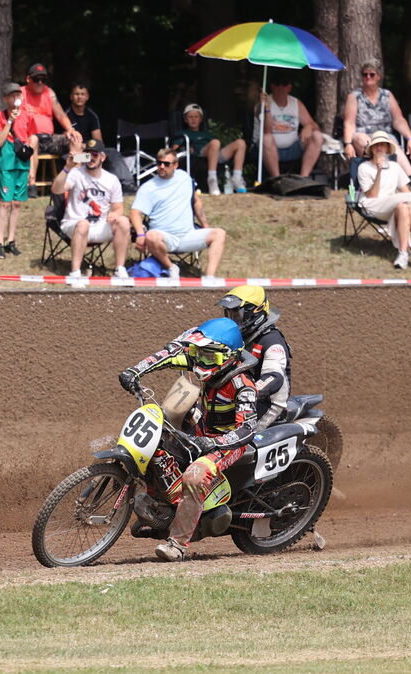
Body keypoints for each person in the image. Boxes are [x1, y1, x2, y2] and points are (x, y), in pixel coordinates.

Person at [118, 317, 258, 562]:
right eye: (198, 353)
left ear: (228, 357)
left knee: (194, 476)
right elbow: (168, 355)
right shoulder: (202, 360)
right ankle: (159, 509)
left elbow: (248, 428)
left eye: (209, 356)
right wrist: (135, 371)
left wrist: (215, 444)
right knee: (157, 450)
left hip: (227, 443)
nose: (201, 361)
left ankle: (178, 544)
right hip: (201, 432)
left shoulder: (242, 385)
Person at [131, 149, 226, 280]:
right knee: (151, 236)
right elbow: (135, 212)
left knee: (219, 233)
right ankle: (171, 267)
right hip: (164, 238)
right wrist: (140, 234)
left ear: (175, 165)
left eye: (166, 164)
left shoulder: (184, 178)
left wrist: (205, 225)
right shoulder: (148, 187)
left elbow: (196, 202)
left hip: (188, 235)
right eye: (159, 163)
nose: (161, 167)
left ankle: (209, 277)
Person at [51, 138, 131, 283]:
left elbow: (119, 207)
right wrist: (67, 168)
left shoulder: (112, 179)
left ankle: (120, 269)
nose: (91, 159)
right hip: (74, 224)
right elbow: (56, 189)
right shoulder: (76, 173)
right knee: (83, 224)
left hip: (100, 225)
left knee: (124, 222)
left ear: (103, 157)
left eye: (95, 155)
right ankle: (75, 272)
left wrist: (115, 214)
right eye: (87, 155)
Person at [357, 131, 411, 270]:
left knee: (403, 205)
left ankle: (403, 254)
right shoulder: (364, 167)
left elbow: (406, 192)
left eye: (382, 145)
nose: (379, 148)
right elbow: (372, 195)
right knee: (406, 200)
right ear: (371, 148)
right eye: (376, 145)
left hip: (392, 203)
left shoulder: (395, 167)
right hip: (373, 205)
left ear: (387, 148)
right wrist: (378, 171)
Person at [217, 285, 289, 428]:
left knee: (236, 437)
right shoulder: (237, 336)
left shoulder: (272, 341)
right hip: (237, 399)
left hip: (268, 403)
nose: (233, 320)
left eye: (236, 315)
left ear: (255, 312)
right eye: (229, 314)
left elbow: (274, 376)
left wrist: (248, 393)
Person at [342, 60, 411, 183]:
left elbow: (398, 120)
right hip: (363, 134)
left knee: (391, 143)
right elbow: (349, 122)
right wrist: (347, 143)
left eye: (371, 74)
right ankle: (383, 176)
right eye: (364, 74)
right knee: (363, 140)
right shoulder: (354, 96)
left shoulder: (387, 95)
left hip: (384, 134)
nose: (368, 77)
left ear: (378, 76)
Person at [0, 82, 34, 259]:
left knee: (16, 203)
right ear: (5, 99)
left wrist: (33, 170)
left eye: (18, 95)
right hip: (7, 163)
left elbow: (31, 140)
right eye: (12, 96)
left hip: (22, 163)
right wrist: (10, 120)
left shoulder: (29, 117)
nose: (16, 98)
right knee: (4, 203)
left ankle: (11, 240)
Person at [21, 63, 83, 189]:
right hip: (29, 140)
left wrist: (70, 129)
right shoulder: (21, 93)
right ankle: (31, 184)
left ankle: (78, 181)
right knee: (33, 139)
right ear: (28, 79)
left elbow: (60, 114)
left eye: (43, 79)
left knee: (76, 139)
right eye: (36, 79)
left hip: (49, 138)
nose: (40, 83)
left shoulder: (49, 92)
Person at [172, 103, 247, 195]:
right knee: (215, 143)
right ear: (185, 119)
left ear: (201, 119)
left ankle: (237, 178)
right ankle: (212, 180)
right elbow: (173, 150)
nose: (193, 119)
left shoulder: (207, 134)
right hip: (198, 154)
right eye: (190, 117)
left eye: (196, 116)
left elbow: (216, 147)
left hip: (214, 154)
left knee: (240, 143)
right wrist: (185, 149)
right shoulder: (183, 133)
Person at [261, 74, 324, 180]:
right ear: (272, 86)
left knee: (317, 136)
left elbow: (314, 125)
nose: (280, 88)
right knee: (267, 138)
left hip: (293, 147)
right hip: (270, 148)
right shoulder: (264, 103)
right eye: (277, 84)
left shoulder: (296, 103)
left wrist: (308, 127)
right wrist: (266, 109)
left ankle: (303, 179)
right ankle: (277, 180)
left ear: (289, 88)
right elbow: (267, 130)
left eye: (284, 84)